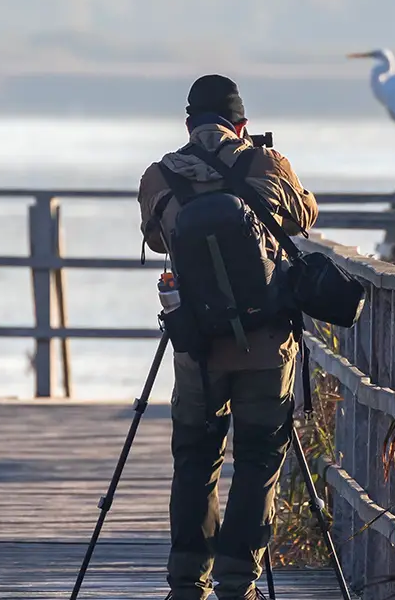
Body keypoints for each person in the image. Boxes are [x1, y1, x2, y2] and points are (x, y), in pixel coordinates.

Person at [137, 74, 319, 600]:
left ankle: (185, 583)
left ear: (189, 124)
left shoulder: (160, 175)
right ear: (242, 124)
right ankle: (238, 584)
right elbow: (306, 215)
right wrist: (270, 165)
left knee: (195, 457)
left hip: (197, 346)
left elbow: (155, 237)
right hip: (267, 343)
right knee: (260, 457)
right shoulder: (265, 164)